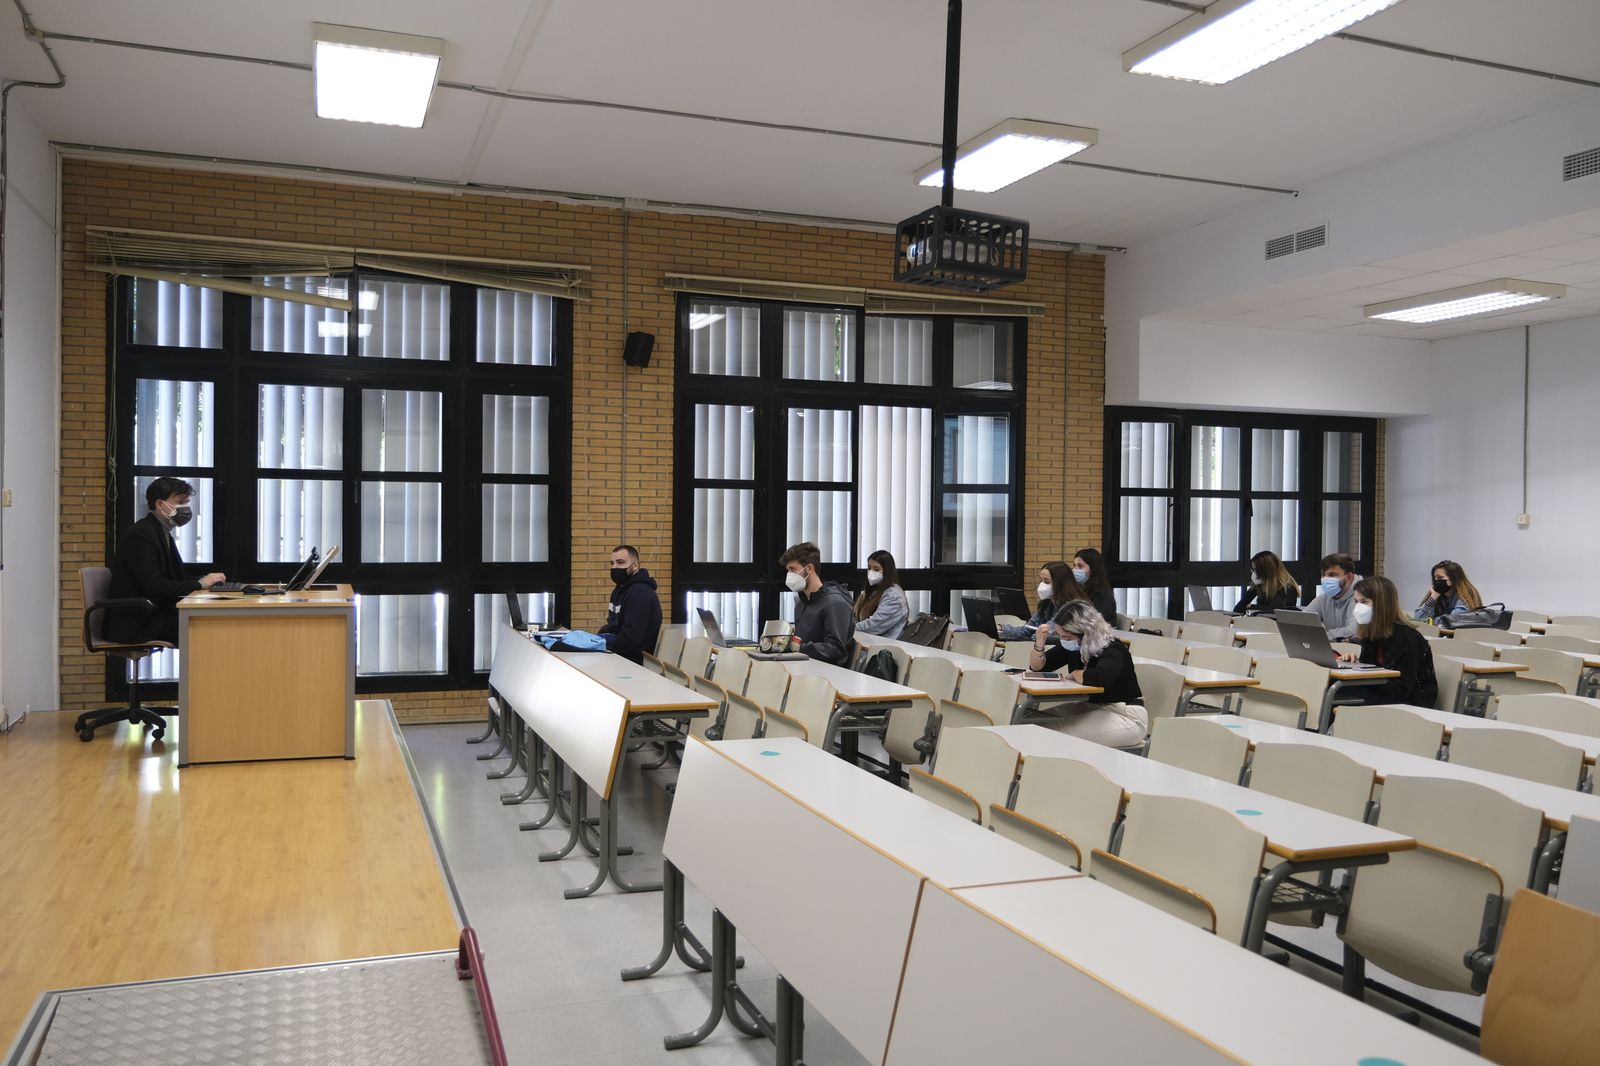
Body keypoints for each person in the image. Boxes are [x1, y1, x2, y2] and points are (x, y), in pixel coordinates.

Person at [108, 476, 226, 643]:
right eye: (180, 502)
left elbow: (171, 578)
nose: (185, 508)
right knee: (209, 627)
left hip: (155, 614)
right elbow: (154, 586)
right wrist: (200, 584)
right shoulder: (140, 535)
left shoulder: (160, 532)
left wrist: (203, 582)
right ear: (160, 504)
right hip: (138, 621)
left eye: (187, 502)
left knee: (211, 621)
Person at [1029, 600, 1148, 748]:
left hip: (1126, 715)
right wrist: (1039, 645)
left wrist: (1076, 673)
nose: (1063, 641)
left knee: (1053, 734)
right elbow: (1038, 668)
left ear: (1086, 633)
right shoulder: (1074, 645)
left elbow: (1100, 678)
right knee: (1032, 722)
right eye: (1060, 636)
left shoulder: (1112, 648)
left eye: (1066, 637)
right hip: (1091, 707)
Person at [1338, 575, 1439, 708]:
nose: (1358, 607)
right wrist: (1354, 664)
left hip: (1410, 703)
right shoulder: (1371, 635)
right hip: (1383, 695)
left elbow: (1402, 690)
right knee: (1335, 691)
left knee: (1339, 696)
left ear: (1382, 604)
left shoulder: (1407, 638)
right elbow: (1369, 671)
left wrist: (1363, 678)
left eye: (1364, 602)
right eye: (1356, 602)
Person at [782, 541, 855, 666]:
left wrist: (797, 647)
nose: (789, 575)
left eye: (793, 570)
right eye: (788, 571)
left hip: (828, 672)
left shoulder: (835, 603)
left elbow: (834, 649)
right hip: (804, 665)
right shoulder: (801, 603)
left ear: (809, 569)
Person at [598, 544, 661, 664]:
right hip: (619, 655)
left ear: (635, 566)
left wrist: (602, 644)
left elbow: (630, 639)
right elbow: (613, 626)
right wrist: (597, 639)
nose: (615, 567)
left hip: (635, 662)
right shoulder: (618, 591)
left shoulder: (640, 594)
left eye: (620, 563)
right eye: (612, 563)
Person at [999, 561, 1085, 641]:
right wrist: (1001, 628)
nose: (1041, 584)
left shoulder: (1070, 609)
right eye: (1041, 580)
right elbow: (1027, 630)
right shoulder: (1046, 604)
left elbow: (1041, 636)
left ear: (1061, 584)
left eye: (1047, 581)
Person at [852, 550, 910, 637]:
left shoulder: (894, 595)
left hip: (884, 647)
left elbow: (874, 626)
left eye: (876, 569)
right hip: (867, 643)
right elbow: (857, 617)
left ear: (887, 571)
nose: (871, 572)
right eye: (869, 568)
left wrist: (849, 629)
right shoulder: (872, 591)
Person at [1308, 552, 1363, 641]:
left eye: (1332, 575)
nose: (1325, 579)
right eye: (1323, 574)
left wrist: (1319, 636)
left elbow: (1353, 631)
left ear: (1349, 577)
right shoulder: (1325, 598)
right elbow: (1302, 622)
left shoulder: (1362, 597)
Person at [1412, 559, 1483, 623]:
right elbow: (1418, 619)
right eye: (1435, 578)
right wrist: (1432, 598)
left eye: (1440, 578)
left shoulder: (1465, 594)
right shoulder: (1436, 594)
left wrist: (1433, 620)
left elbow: (1453, 620)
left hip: (1462, 636)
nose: (1436, 581)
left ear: (1453, 579)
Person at [1233, 550, 1301, 614]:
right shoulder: (1260, 585)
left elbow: (1274, 612)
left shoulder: (1287, 588)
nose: (1254, 574)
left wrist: (1251, 607)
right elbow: (1237, 609)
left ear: (1267, 571)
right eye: (1253, 570)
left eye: (1256, 570)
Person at [1072, 547, 1118, 627]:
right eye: (1074, 565)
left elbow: (1097, 624)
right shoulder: (1082, 589)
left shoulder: (1102, 595)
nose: (1075, 569)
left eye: (1080, 566)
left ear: (1093, 568)